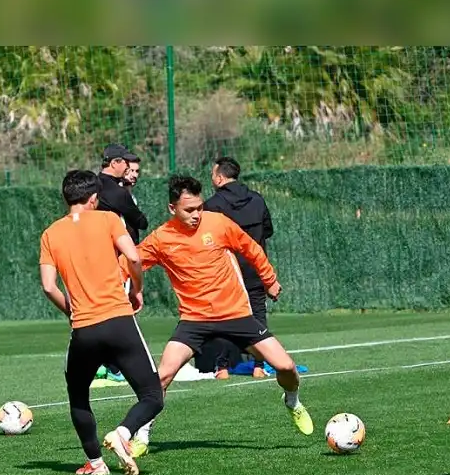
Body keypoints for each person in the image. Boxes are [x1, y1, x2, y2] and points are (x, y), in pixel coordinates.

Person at [126, 175, 313, 458]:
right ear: (171, 208)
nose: (196, 214)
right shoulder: (162, 239)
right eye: (189, 210)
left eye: (199, 207)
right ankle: (143, 432)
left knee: (286, 367)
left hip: (236, 313)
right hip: (194, 320)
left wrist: (269, 279)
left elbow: (251, 248)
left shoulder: (218, 223)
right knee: (161, 377)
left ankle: (292, 401)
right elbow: (130, 261)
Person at [39, 169, 164, 475]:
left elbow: (48, 286)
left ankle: (96, 464)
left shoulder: (50, 233)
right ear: (94, 198)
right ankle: (123, 433)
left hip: (83, 330)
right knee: (151, 396)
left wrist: (72, 311)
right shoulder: (109, 219)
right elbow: (133, 258)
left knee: (78, 395)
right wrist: (137, 289)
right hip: (119, 321)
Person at [203, 156, 275, 379]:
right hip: (255, 267)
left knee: (225, 317)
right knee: (258, 315)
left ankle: (222, 367)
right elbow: (268, 231)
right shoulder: (257, 200)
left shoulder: (213, 205)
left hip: (227, 272)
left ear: (220, 177)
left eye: (213, 174)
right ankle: (259, 366)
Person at [97, 144, 148, 383]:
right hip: (117, 256)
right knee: (119, 311)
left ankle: (100, 364)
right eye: (127, 167)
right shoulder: (118, 194)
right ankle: (116, 367)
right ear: (116, 164)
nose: (130, 171)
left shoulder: (91, 186)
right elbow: (140, 221)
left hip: (91, 256)